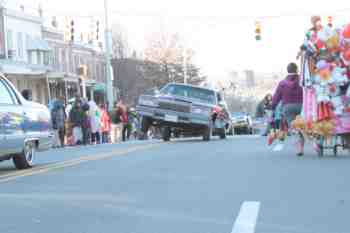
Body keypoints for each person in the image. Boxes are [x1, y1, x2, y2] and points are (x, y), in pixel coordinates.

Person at [272, 62, 304, 156]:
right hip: (302, 106)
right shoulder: (302, 80)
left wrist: (273, 107)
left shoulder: (282, 83)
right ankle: (309, 141)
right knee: (304, 126)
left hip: (288, 107)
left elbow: (276, 97)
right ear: (297, 70)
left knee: (294, 128)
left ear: (287, 71)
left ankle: (299, 148)